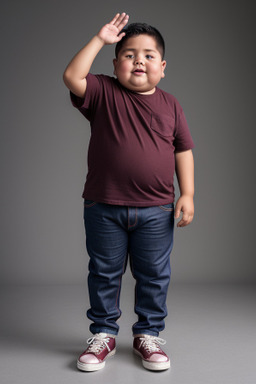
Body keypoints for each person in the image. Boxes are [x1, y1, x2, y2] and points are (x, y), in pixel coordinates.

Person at [63, 12, 195, 372]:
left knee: (154, 273)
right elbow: (72, 76)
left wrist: (188, 194)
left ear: (163, 67)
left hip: (156, 209)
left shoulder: (171, 105)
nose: (139, 60)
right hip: (104, 205)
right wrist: (99, 38)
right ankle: (104, 333)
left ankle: (147, 334)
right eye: (129, 54)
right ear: (116, 63)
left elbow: (183, 148)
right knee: (104, 272)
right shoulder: (104, 92)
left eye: (149, 55)